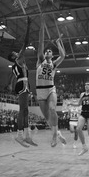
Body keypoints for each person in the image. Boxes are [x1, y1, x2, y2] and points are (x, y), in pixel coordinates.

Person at [36, 14, 67, 147]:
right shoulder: (40, 61)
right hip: (40, 92)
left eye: (50, 51)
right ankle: (57, 132)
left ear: (51, 55)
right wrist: (42, 24)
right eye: (46, 51)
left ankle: (54, 135)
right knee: (48, 117)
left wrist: (58, 43)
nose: (48, 52)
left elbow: (63, 55)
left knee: (53, 109)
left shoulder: (53, 64)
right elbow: (41, 42)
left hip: (50, 89)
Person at [7, 16, 37, 148]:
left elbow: (12, 78)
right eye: (15, 52)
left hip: (22, 84)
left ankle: (27, 135)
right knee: (22, 111)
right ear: (14, 57)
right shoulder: (18, 60)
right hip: (22, 84)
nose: (17, 52)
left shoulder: (18, 65)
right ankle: (19, 136)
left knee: (25, 111)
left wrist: (10, 84)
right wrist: (29, 26)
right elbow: (25, 42)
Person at [68, 81, 89, 159]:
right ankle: (84, 147)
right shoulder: (82, 94)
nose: (86, 86)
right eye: (85, 85)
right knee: (78, 129)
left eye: (88, 84)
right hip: (83, 113)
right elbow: (79, 104)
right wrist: (71, 103)